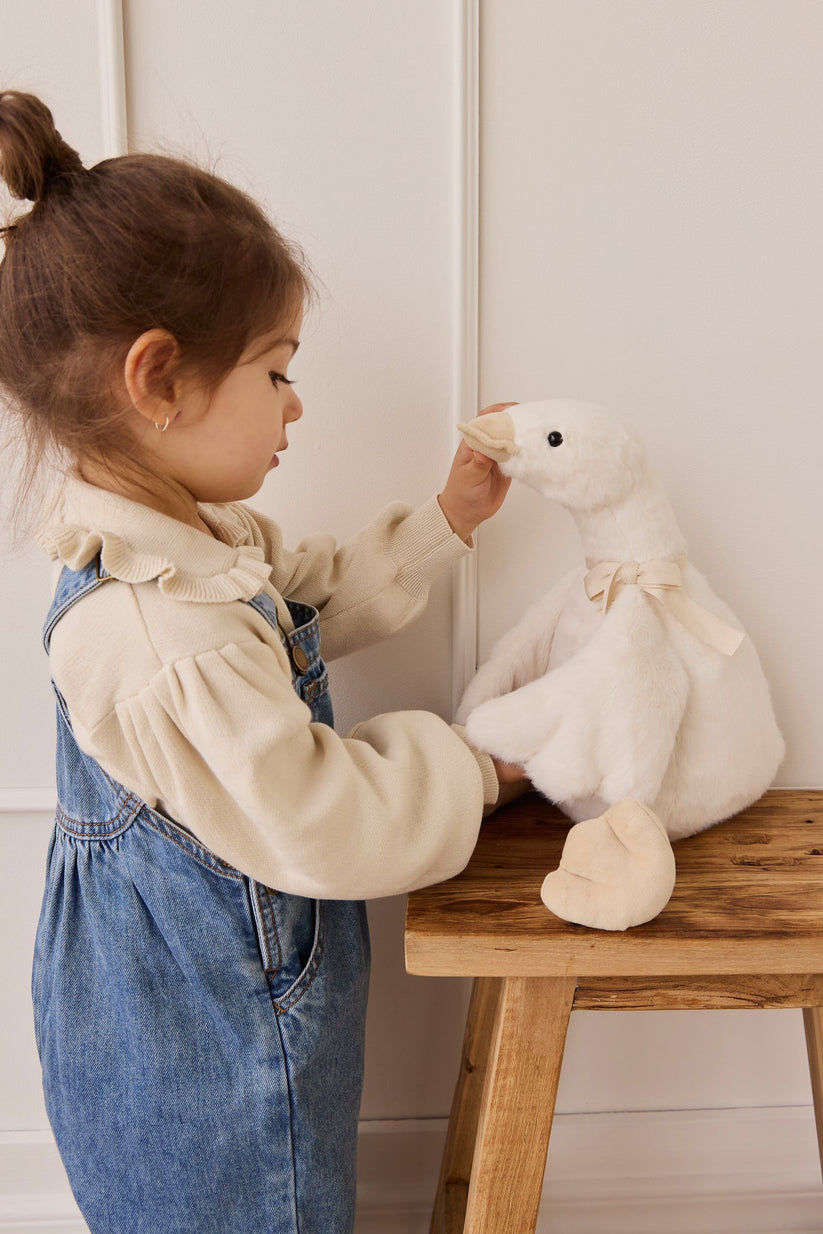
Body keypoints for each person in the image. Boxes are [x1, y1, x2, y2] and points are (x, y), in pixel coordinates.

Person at [0, 90, 525, 1233]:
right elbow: (322, 814)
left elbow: (299, 597)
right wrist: (478, 768)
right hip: (208, 1050)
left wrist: (444, 521)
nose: (296, 405)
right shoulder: (158, 634)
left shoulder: (181, 543)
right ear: (159, 379)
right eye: (276, 371)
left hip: (177, 1012)